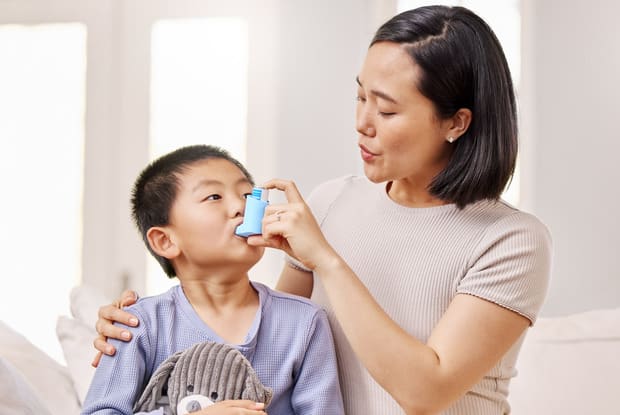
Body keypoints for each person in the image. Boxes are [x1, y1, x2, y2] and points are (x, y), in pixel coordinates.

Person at [93, 6, 552, 414]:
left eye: (387, 111)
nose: (361, 123)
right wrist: (141, 326)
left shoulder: (509, 240)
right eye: (360, 96)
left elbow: (425, 393)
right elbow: (267, 338)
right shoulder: (334, 200)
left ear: (456, 122)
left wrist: (326, 260)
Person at [82, 145, 344, 415]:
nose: (240, 206)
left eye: (246, 194)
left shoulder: (305, 323)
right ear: (166, 240)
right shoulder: (137, 325)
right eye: (214, 196)